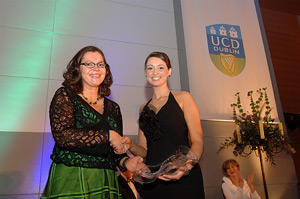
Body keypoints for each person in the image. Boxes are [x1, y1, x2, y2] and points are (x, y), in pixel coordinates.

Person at [41, 46, 144, 199]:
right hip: (71, 178)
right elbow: (63, 136)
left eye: (100, 64)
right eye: (89, 64)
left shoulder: (113, 108)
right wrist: (108, 135)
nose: (96, 68)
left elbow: (113, 153)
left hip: (106, 180)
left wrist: (125, 162)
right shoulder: (65, 95)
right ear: (77, 69)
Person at [121, 52, 205, 199]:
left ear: (169, 71)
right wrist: (130, 145)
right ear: (145, 72)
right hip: (154, 182)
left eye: (161, 67)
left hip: (183, 178)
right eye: (150, 68)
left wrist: (186, 167)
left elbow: (198, 141)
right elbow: (145, 151)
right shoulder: (143, 109)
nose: (155, 72)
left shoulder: (183, 98)